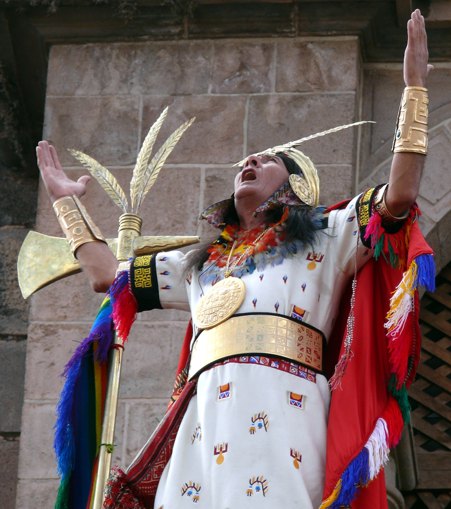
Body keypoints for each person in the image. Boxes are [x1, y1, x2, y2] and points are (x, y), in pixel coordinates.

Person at [36, 9, 434, 509]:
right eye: (246, 159)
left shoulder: (327, 238)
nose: (250, 161)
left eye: (268, 161)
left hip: (287, 411)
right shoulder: (198, 267)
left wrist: (414, 89)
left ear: (293, 190)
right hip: (204, 423)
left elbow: (399, 198)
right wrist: (66, 202)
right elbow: (103, 277)